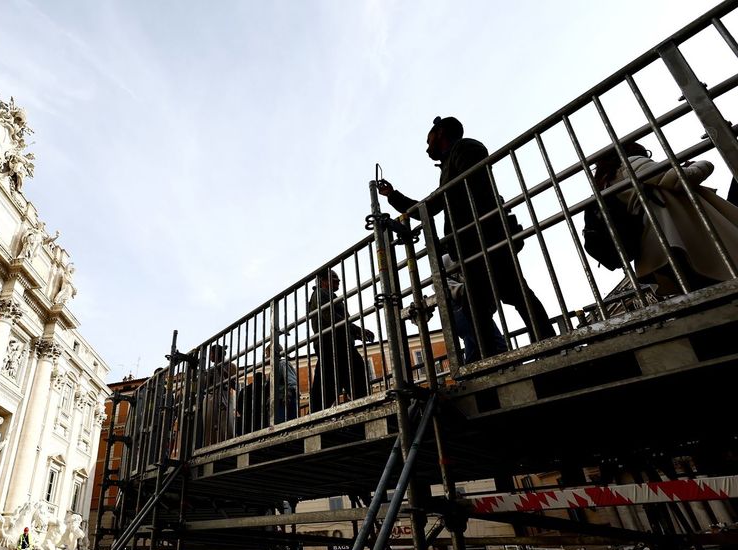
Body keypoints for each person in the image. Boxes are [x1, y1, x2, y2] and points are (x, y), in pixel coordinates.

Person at [376, 116, 555, 360]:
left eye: (428, 139)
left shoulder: (465, 148)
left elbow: (439, 201)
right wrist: (393, 195)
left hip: (483, 237)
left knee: (512, 295)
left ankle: (542, 347)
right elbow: (435, 203)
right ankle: (506, 356)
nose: (426, 146)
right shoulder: (453, 160)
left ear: (439, 132)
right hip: (474, 241)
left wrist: (399, 198)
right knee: (489, 304)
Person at [593, 142, 738, 296]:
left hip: (655, 246)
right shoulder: (630, 163)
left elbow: (663, 180)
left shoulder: (607, 183)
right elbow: (681, 178)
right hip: (675, 237)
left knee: (708, 292)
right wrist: (702, 164)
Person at [308, 269, 375, 413]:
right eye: (334, 278)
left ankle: (363, 408)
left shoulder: (329, 295)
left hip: (337, 343)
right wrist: (357, 330)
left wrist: (356, 332)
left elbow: (340, 322)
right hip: (333, 344)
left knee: (332, 383)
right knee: (347, 377)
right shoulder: (321, 294)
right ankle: (364, 408)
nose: (338, 281)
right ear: (322, 281)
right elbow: (330, 317)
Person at [263, 343, 298, 423]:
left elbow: (292, 383)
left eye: (267, 353)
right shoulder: (273, 369)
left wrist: (287, 395)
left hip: (283, 402)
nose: (266, 356)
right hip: (276, 403)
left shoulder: (282, 364)